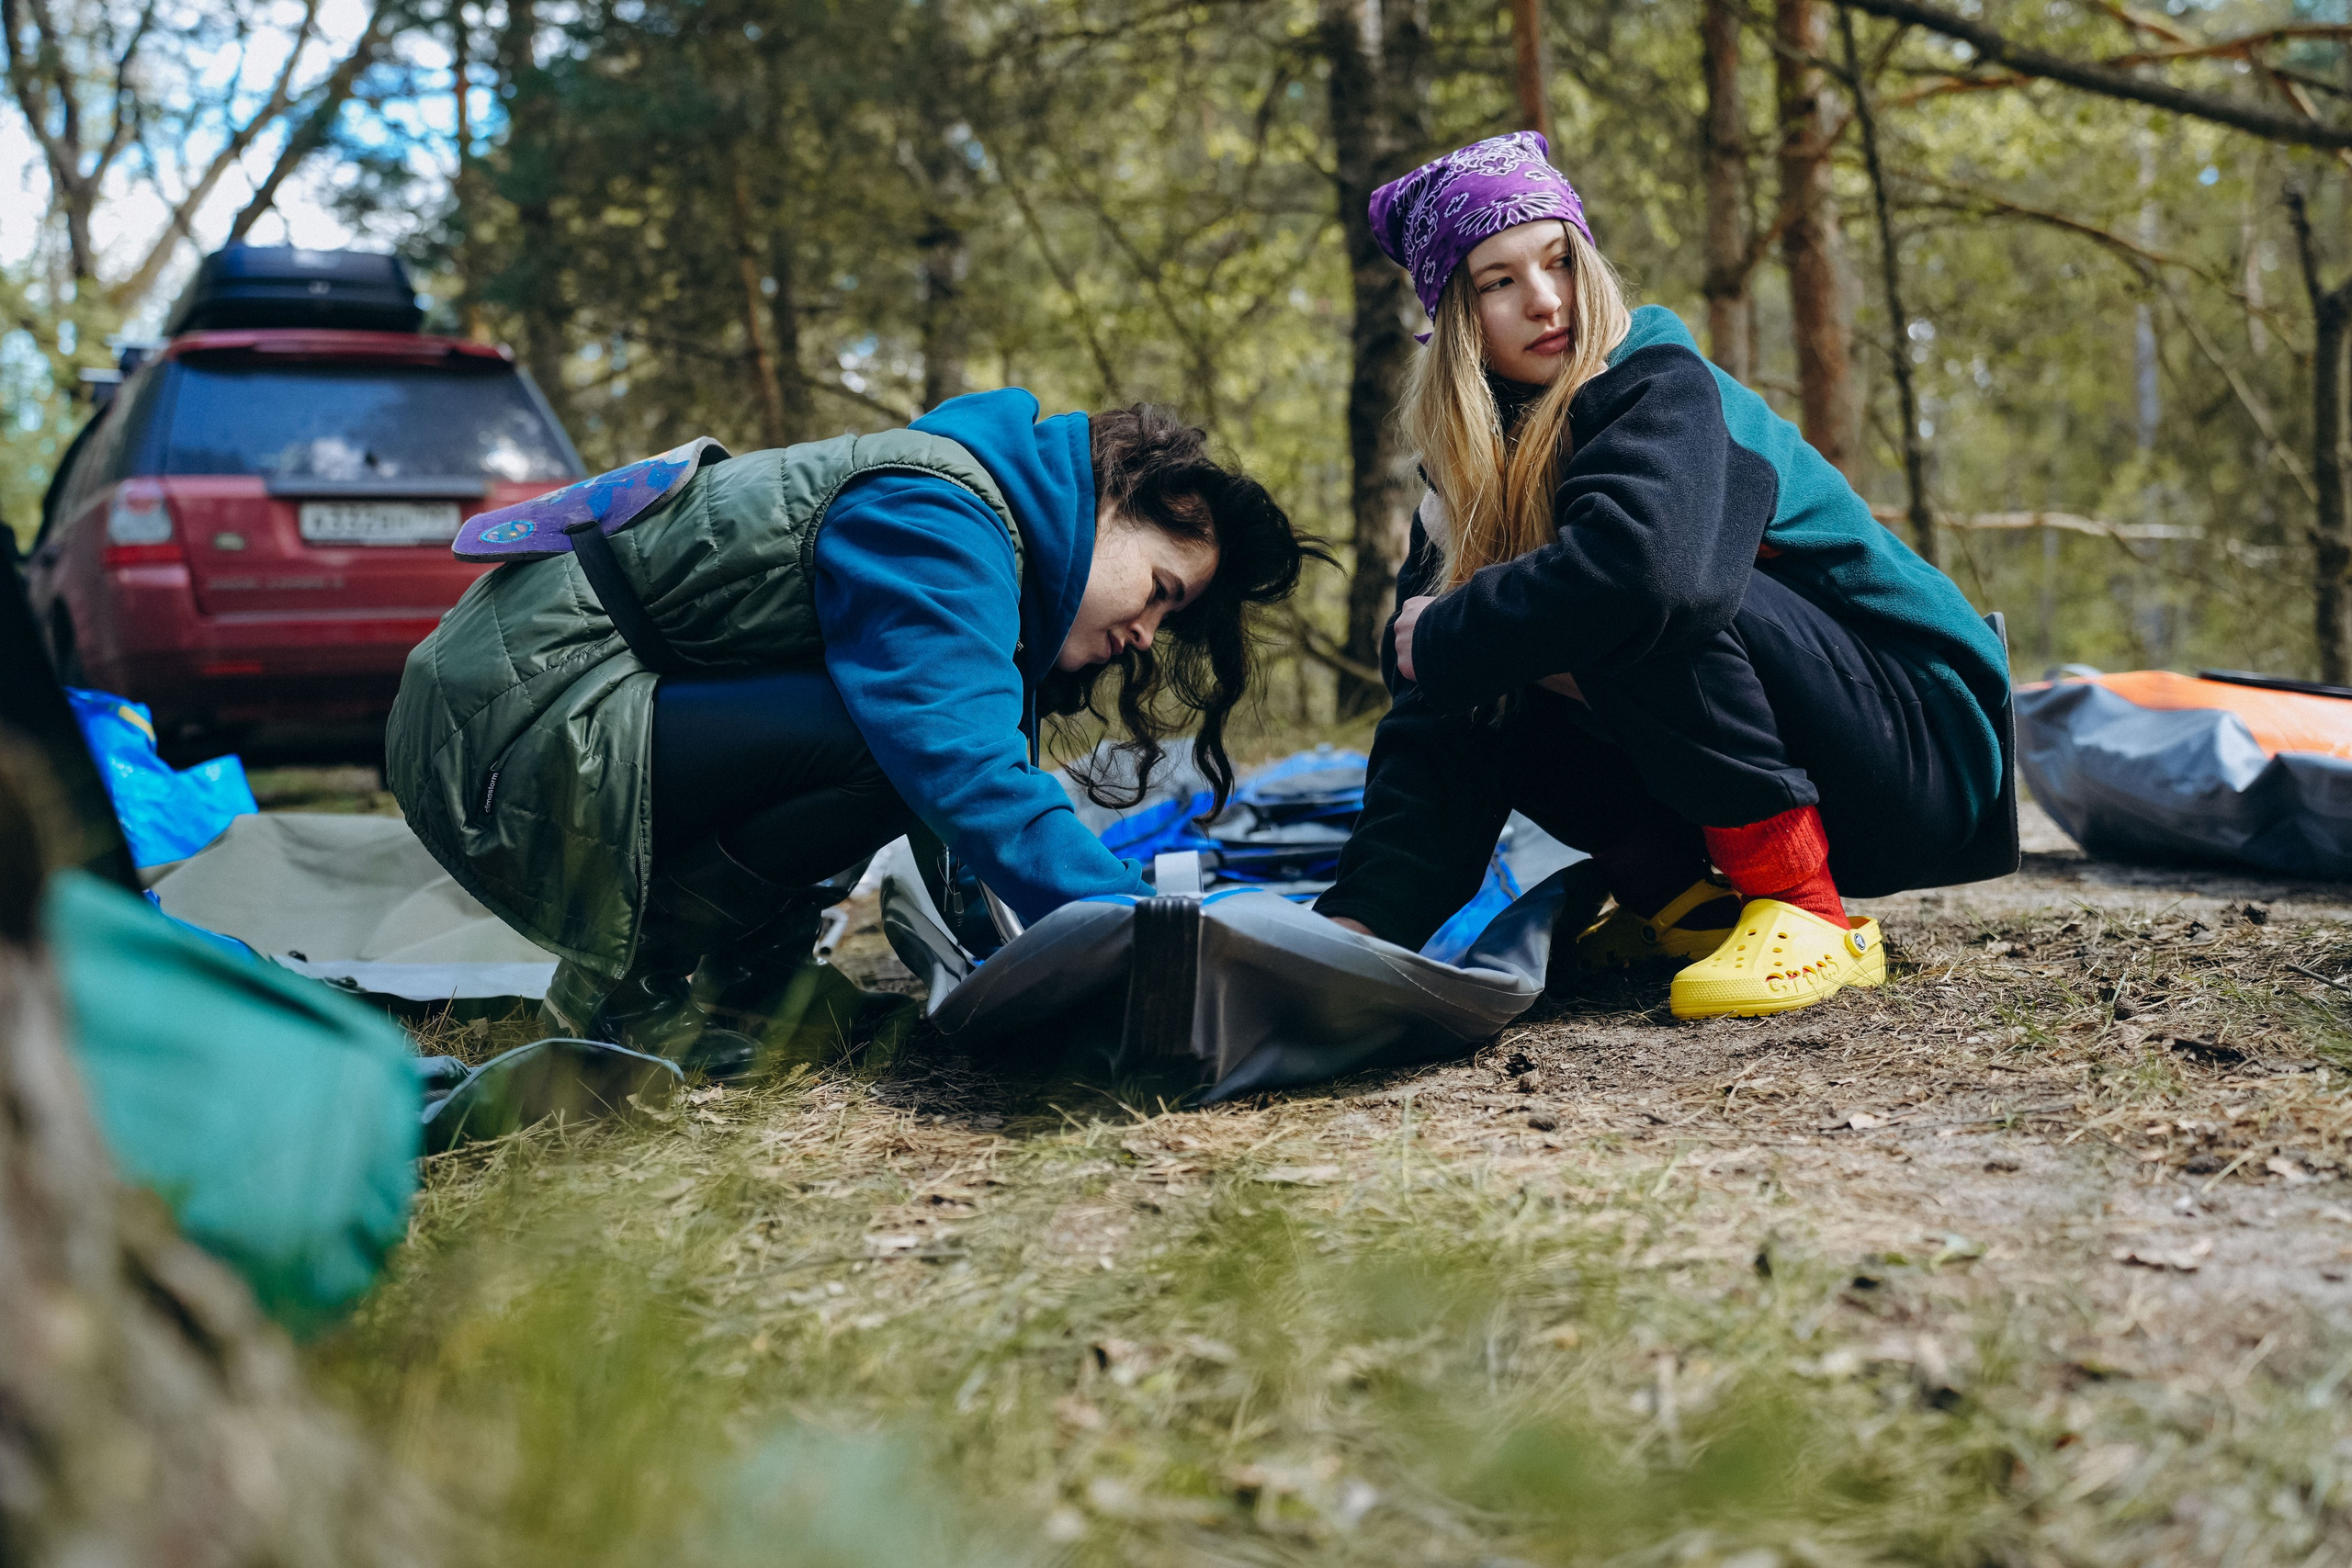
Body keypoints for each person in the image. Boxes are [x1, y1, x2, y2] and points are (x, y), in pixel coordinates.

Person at [387, 390, 1320, 1068]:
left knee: (890, 735)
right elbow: (963, 771)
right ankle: (634, 995)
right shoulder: (941, 516)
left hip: (536, 710)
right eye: (1158, 591)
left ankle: (748, 989)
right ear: (1112, 499)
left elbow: (964, 818)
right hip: (505, 724)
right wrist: (1156, 942)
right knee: (885, 746)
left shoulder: (974, 524)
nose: (1145, 634)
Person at [1312, 132, 2010, 1020]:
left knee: (1609, 591)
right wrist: (1359, 928)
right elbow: (1433, 713)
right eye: (1498, 282)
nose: (1545, 300)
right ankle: (1683, 906)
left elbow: (1650, 575)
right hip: (1819, 751)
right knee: (1494, 648)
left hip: (1922, 744)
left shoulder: (1656, 379)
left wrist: (1454, 630)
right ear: (1455, 321)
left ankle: (1806, 911)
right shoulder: (1463, 475)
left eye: (1560, 262)